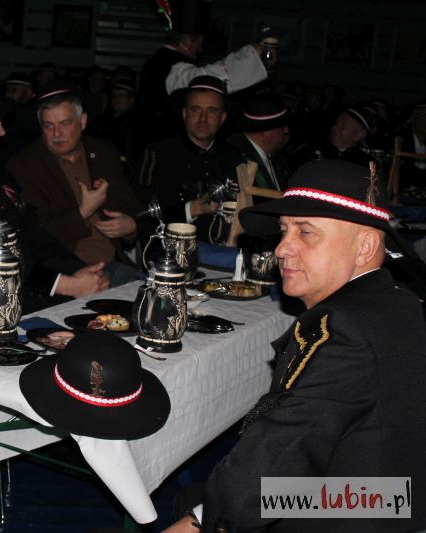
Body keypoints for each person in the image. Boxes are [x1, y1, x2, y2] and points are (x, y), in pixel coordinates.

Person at [164, 159, 426, 532]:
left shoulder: (342, 330)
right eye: (284, 231)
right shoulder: (401, 302)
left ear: (365, 246)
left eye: (306, 232)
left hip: (363, 509)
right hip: (394, 495)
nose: (282, 248)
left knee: (201, 504)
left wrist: (201, 520)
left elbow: (268, 469)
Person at [0, 84, 109, 311]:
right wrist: (66, 284)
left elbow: (34, 234)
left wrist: (78, 270)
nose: (1, 131)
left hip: (36, 288)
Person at [7, 81, 144, 285]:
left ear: (83, 121)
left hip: (115, 263)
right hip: (66, 273)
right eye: (48, 126)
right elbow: (33, 236)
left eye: (65, 123)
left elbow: (132, 205)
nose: (57, 133)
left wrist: (131, 226)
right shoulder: (25, 165)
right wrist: (83, 211)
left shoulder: (104, 151)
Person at [136, 0, 267, 151]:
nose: (200, 50)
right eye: (199, 43)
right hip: (159, 146)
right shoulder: (172, 66)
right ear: (187, 40)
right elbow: (203, 80)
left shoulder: (158, 61)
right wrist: (251, 55)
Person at [135, 76, 242, 243]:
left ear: (222, 118)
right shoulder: (157, 154)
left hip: (224, 252)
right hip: (168, 252)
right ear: (184, 114)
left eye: (211, 111)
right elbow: (139, 214)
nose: (203, 119)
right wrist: (190, 210)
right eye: (195, 110)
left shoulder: (234, 158)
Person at [226, 94, 292, 191]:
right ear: (266, 131)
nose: (286, 130)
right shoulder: (233, 158)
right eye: (282, 126)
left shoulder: (279, 159)